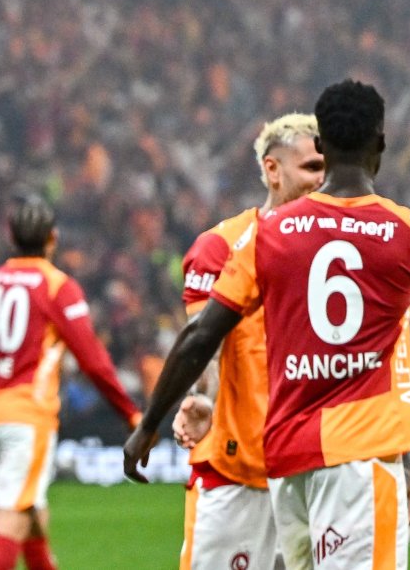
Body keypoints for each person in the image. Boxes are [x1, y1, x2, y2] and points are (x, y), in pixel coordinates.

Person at [124, 80, 410, 570]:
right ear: (381, 143)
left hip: (287, 461)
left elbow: (201, 335)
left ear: (322, 143)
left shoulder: (269, 235)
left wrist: (148, 425)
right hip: (359, 454)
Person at [0, 194, 141, 570]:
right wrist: (132, 415)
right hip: (28, 420)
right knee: (12, 520)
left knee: (33, 516)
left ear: (10, 237)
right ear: (52, 238)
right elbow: (94, 361)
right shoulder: (57, 286)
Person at [171, 113, 324, 570]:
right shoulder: (221, 246)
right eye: (311, 167)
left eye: (326, 169)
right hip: (240, 470)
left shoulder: (340, 247)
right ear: (273, 170)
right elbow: (205, 346)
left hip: (320, 468)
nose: (322, 180)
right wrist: (205, 399)